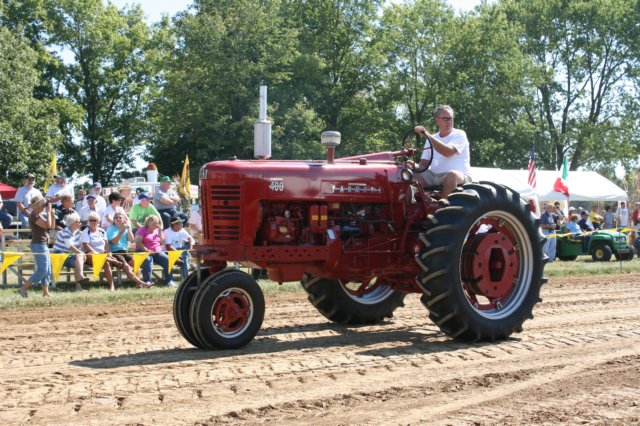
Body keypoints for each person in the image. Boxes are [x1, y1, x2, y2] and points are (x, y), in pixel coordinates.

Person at [412, 105, 472, 199]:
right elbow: (423, 165)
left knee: (452, 175)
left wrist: (426, 134)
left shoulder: (460, 134)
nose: (449, 121)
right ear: (437, 120)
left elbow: (447, 152)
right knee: (406, 170)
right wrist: (411, 165)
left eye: (450, 118)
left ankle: (441, 210)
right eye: (445, 118)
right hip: (434, 176)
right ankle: (407, 209)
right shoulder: (431, 139)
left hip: (459, 177)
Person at [18, 195, 55, 298]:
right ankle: (23, 288)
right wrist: (48, 212)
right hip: (38, 244)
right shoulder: (34, 216)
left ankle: (45, 293)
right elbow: (47, 226)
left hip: (43, 244)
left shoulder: (38, 214)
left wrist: (51, 214)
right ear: (38, 205)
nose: (44, 205)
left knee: (47, 270)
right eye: (42, 204)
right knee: (42, 270)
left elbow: (51, 227)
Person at [106, 212, 152, 288]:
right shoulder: (110, 229)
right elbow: (114, 242)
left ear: (124, 220)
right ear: (113, 220)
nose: (118, 219)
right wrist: (121, 232)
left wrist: (129, 229)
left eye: (120, 217)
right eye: (116, 217)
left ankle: (138, 285)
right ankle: (142, 283)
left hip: (125, 252)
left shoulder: (125, 228)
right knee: (127, 267)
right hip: (115, 252)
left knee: (136, 264)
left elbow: (131, 239)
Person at [52, 212, 90, 291]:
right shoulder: (66, 231)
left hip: (69, 255)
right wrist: (81, 253)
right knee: (79, 256)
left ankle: (79, 284)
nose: (80, 223)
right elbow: (69, 246)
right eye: (78, 221)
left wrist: (81, 253)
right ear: (73, 223)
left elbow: (78, 246)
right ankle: (80, 277)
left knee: (78, 260)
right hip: (59, 255)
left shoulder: (77, 232)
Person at [135, 215, 175, 287]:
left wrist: (160, 232)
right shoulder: (142, 230)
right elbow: (138, 242)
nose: (156, 225)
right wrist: (147, 250)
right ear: (148, 223)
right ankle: (147, 282)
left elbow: (162, 242)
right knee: (148, 260)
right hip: (143, 251)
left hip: (157, 252)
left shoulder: (157, 230)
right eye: (154, 223)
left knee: (168, 260)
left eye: (157, 223)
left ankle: (169, 281)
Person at [79, 212, 115, 291]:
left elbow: (107, 244)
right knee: (102, 258)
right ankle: (111, 260)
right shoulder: (86, 231)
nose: (92, 222)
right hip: (90, 255)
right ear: (88, 221)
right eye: (90, 220)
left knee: (106, 263)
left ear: (98, 222)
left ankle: (112, 286)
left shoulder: (102, 231)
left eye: (94, 220)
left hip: (102, 255)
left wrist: (109, 253)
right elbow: (86, 245)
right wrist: (97, 254)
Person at [164, 215, 195, 279]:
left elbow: (190, 239)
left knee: (186, 249)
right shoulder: (167, 232)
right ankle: (186, 277)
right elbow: (168, 247)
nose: (182, 224)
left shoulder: (182, 230)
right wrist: (178, 253)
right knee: (184, 257)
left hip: (181, 251)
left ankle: (186, 275)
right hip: (170, 252)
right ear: (175, 225)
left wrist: (191, 247)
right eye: (181, 223)